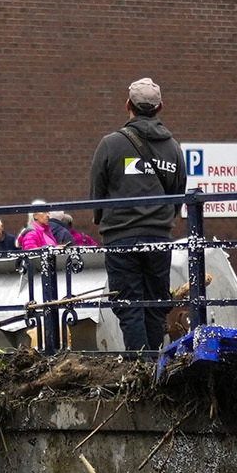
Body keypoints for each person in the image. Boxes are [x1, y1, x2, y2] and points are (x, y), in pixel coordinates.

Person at [85, 75, 188, 347]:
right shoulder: (174, 149)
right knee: (156, 303)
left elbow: (97, 190)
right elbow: (178, 192)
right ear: (160, 107)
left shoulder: (110, 144)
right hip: (158, 237)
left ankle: (139, 367)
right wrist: (164, 220)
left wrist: (101, 219)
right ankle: (156, 364)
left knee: (129, 305)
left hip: (121, 236)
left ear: (127, 105)